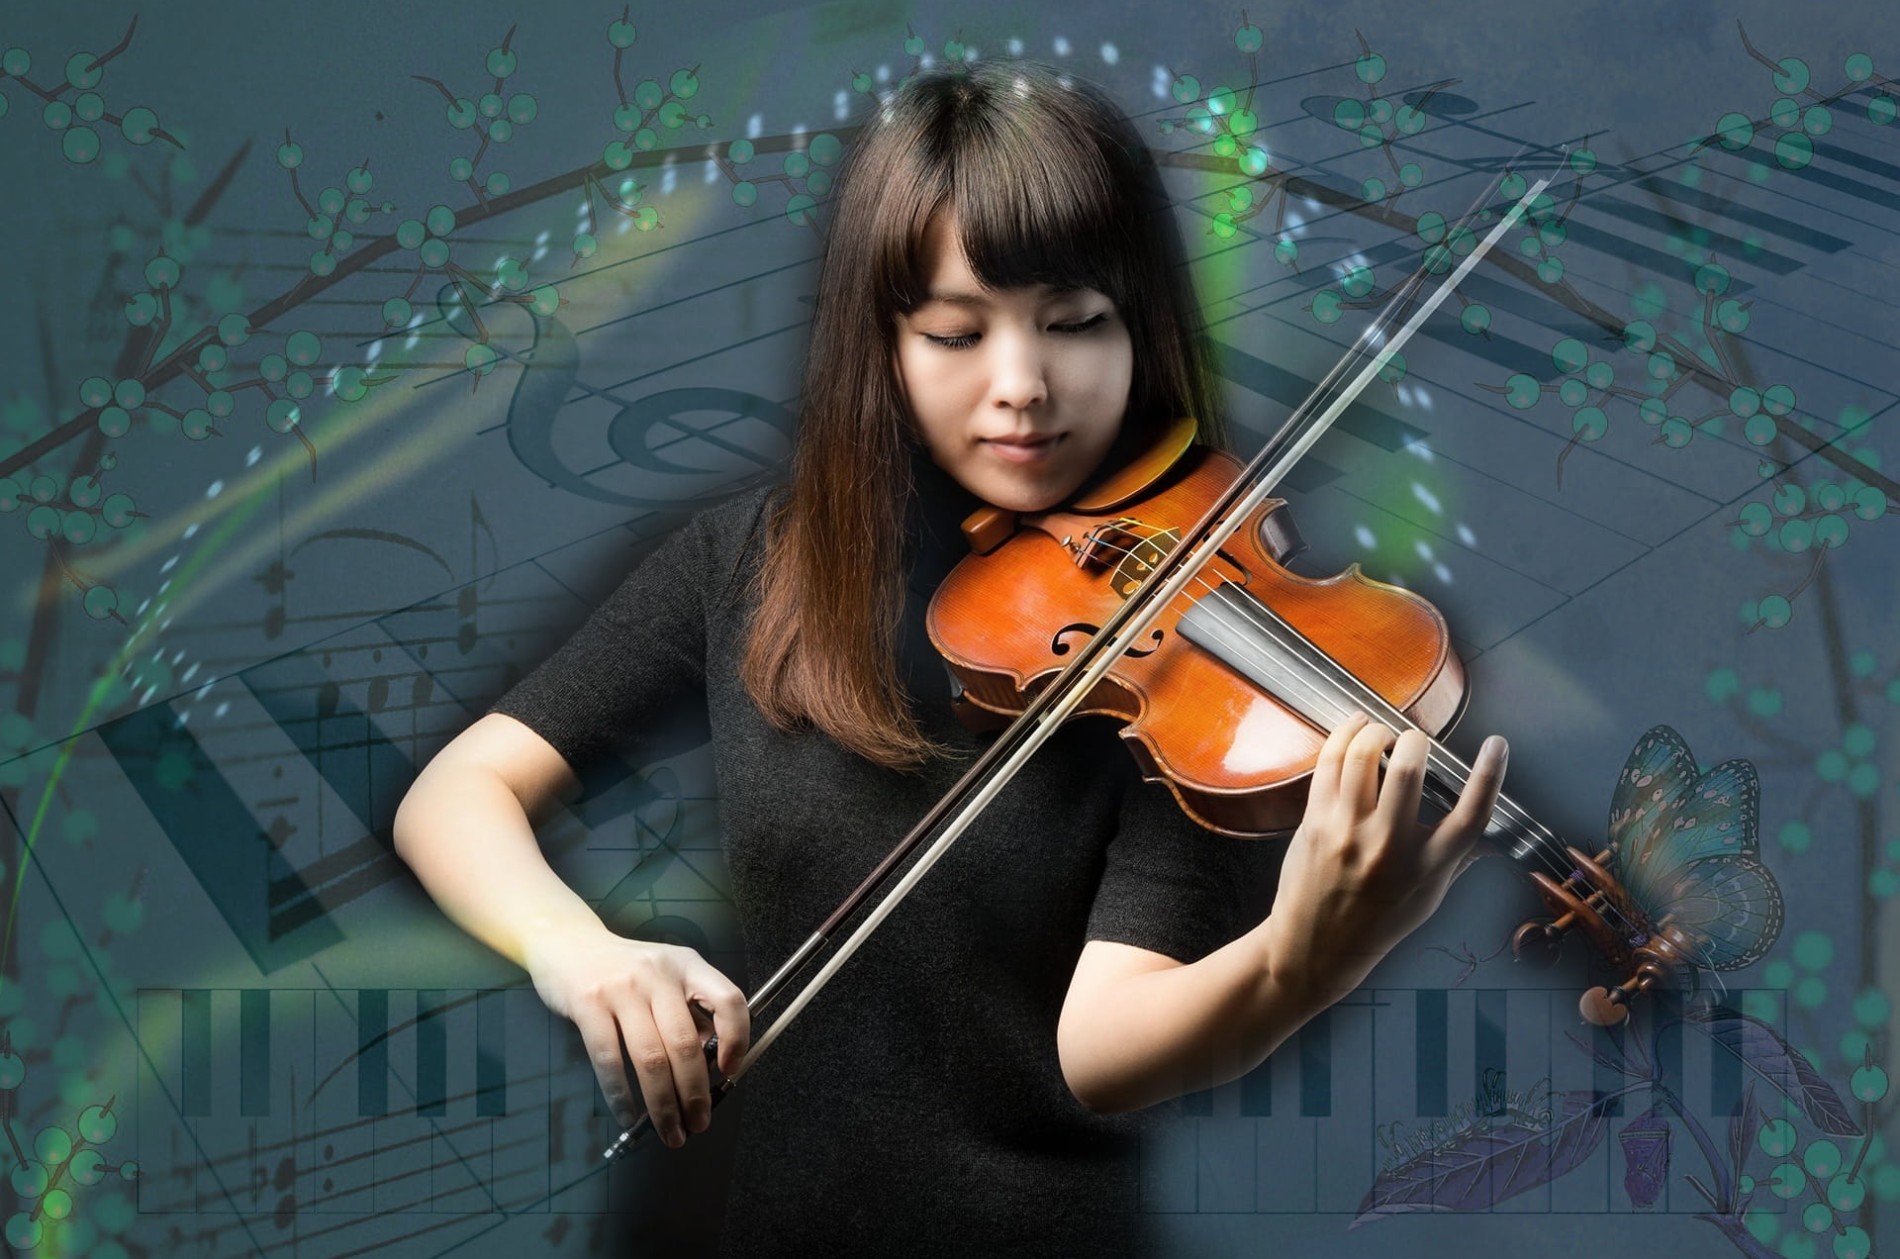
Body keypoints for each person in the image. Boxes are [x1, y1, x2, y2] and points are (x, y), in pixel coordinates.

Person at [392, 59, 1507, 1256]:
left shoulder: (1201, 652)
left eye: (1075, 323)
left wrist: (1299, 959)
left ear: (1142, 324)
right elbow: (455, 793)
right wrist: (577, 948)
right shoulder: (744, 559)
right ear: (883, 341)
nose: (1021, 388)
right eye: (956, 332)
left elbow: (1104, 1047)